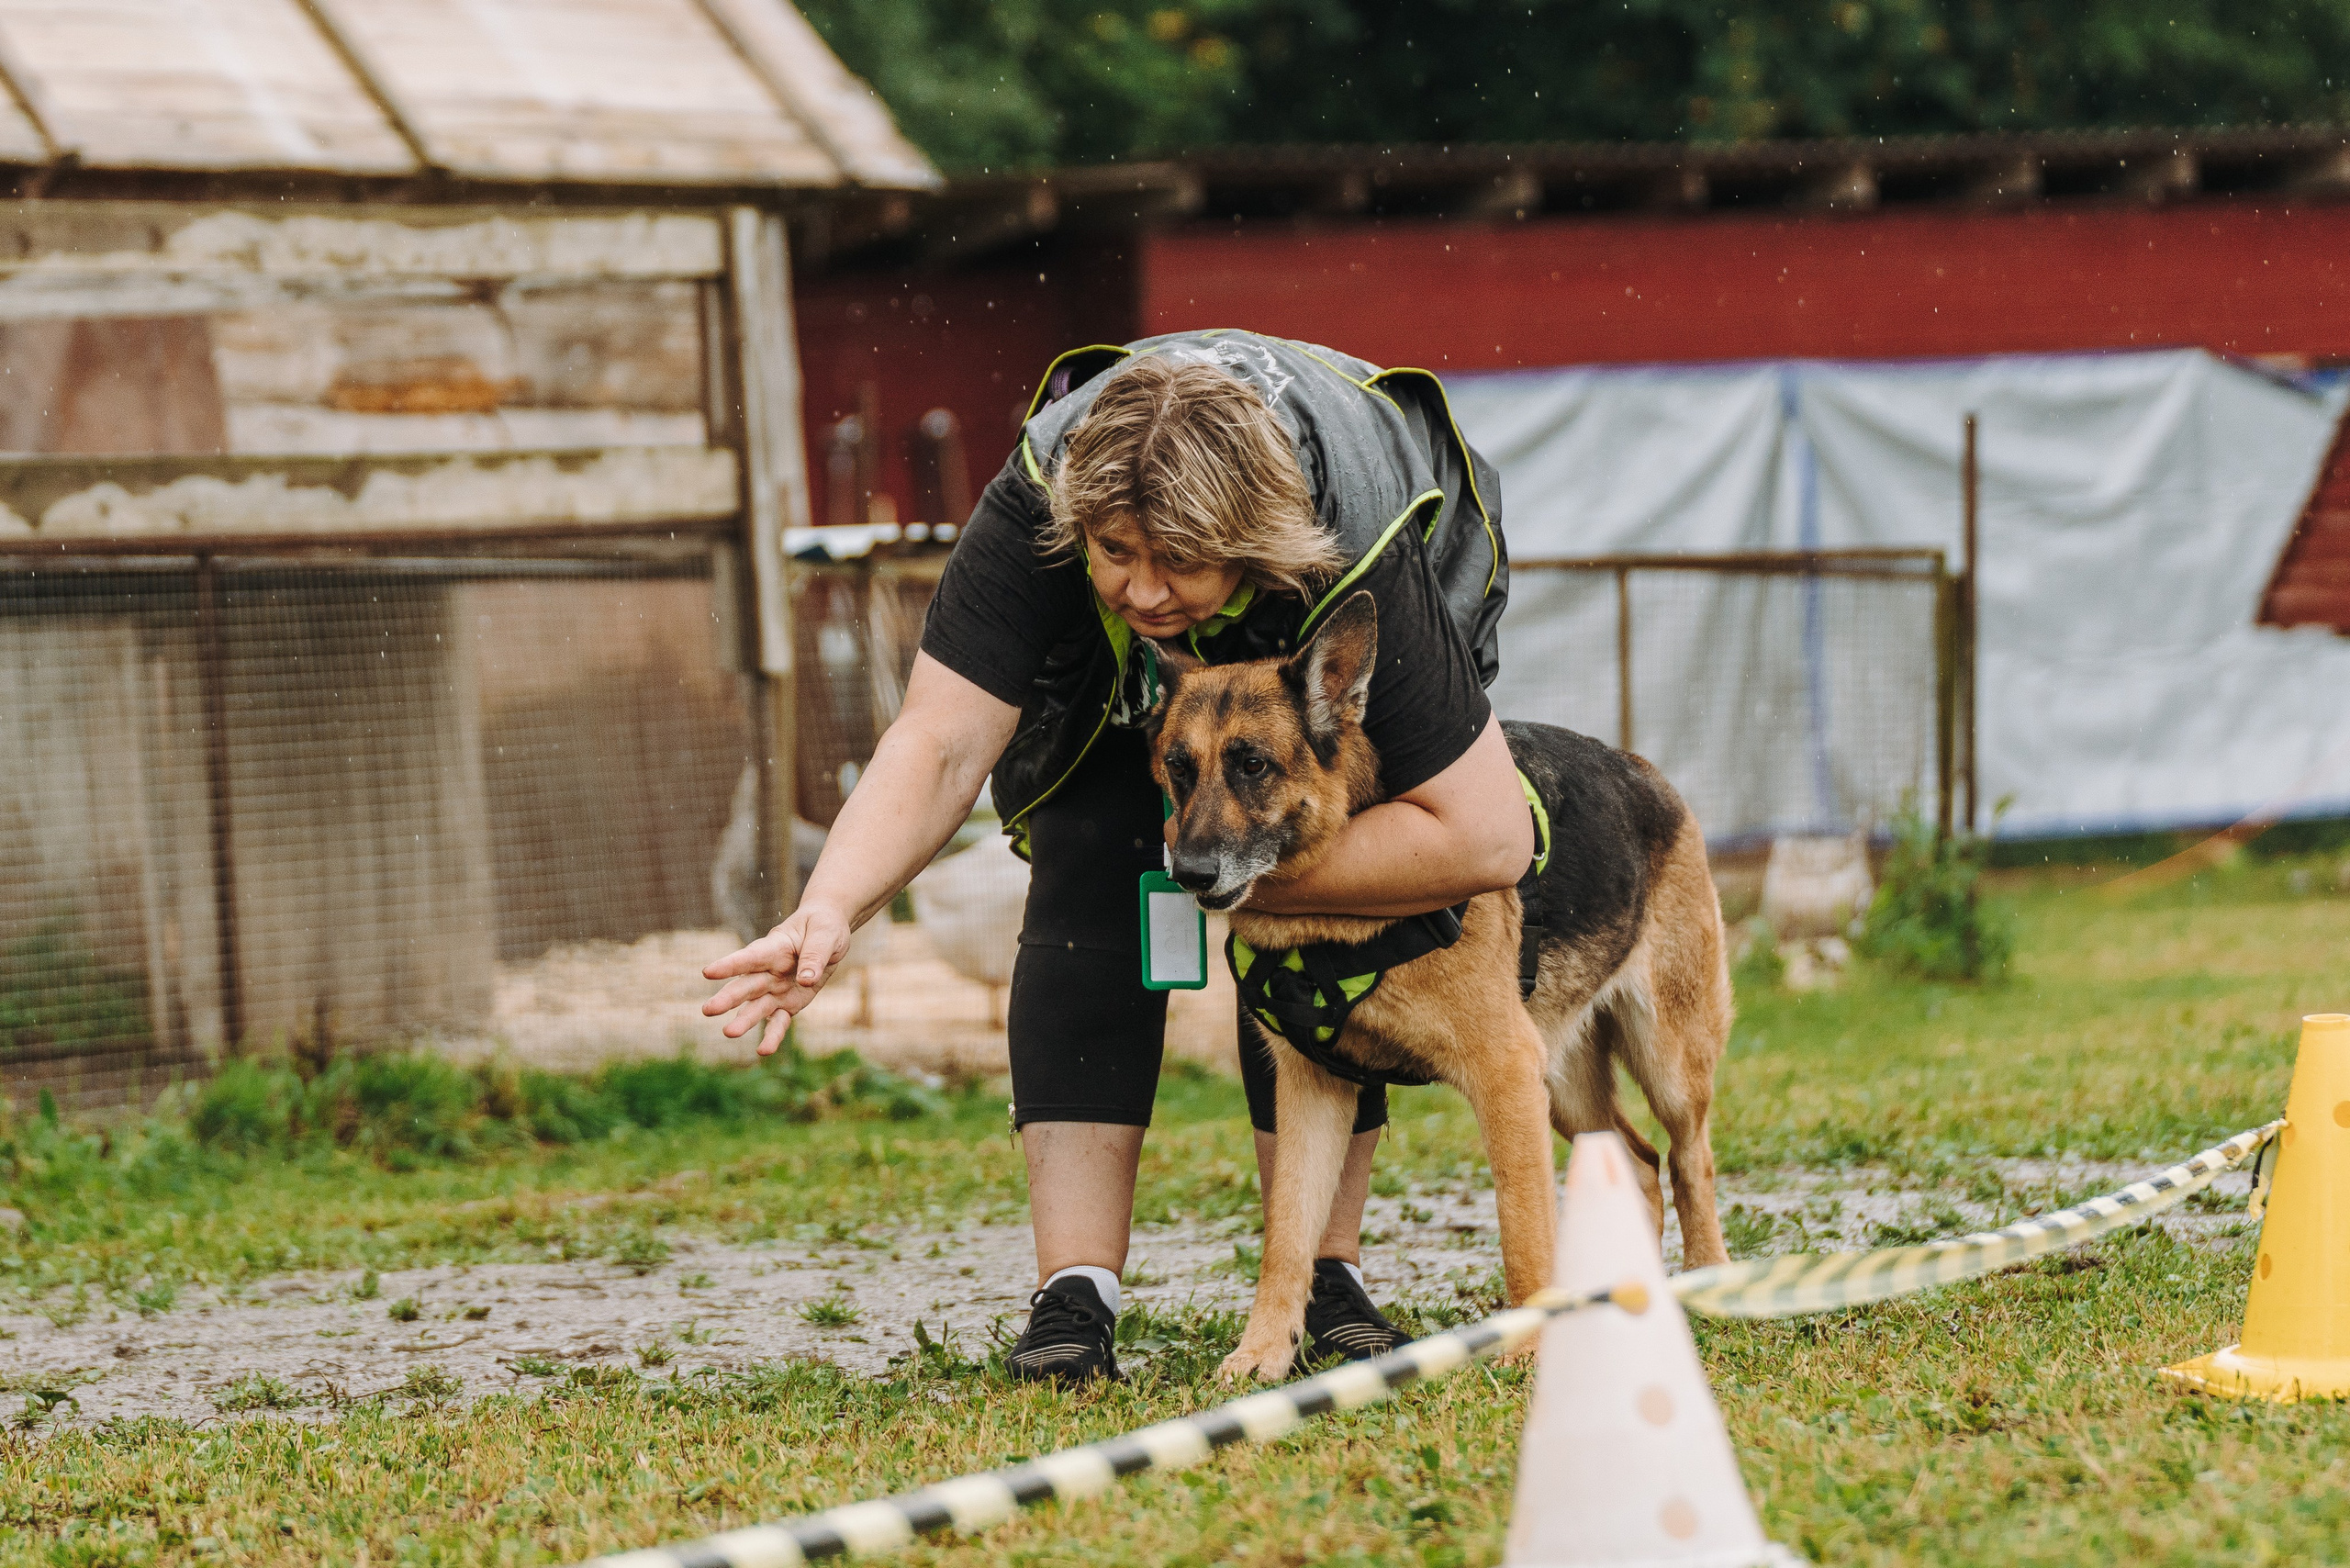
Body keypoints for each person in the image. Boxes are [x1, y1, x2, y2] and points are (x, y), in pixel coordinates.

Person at [702, 330, 1532, 1383]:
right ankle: (1074, 1291)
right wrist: (830, 906)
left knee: (1313, 910)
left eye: (1176, 562)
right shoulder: (1038, 512)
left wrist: (1249, 870)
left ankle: (1324, 1271)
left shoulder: (1355, 538)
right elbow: (939, 738)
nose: (1140, 591)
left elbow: (1488, 835)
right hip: (1131, 683)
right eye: (1116, 553)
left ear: (1246, 542)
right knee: (1092, 848)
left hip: (1337, 589)